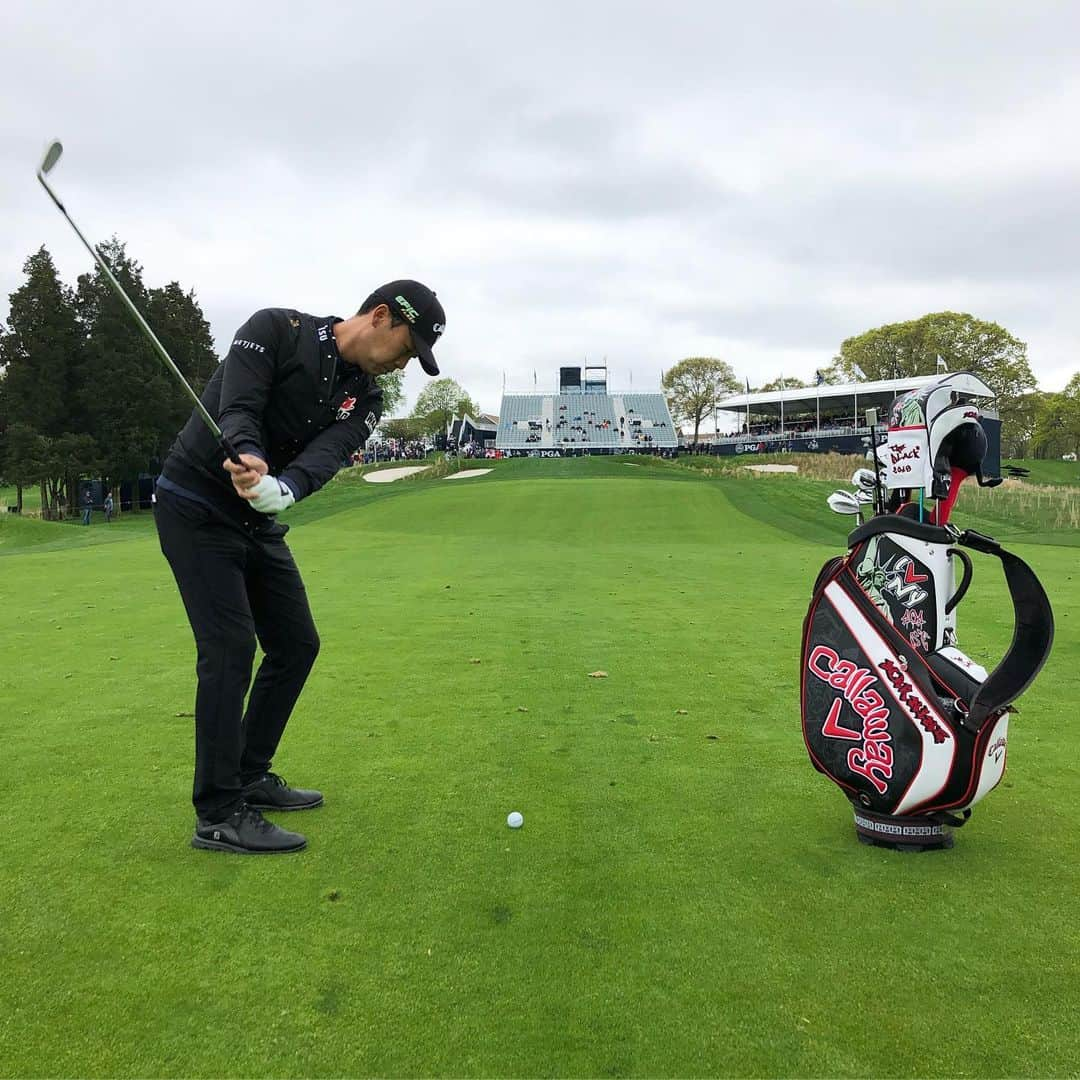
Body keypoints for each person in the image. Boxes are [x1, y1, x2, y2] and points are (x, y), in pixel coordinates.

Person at [153, 280, 445, 855]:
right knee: (231, 648)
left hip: (254, 522)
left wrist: (284, 489)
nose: (404, 365)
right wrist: (249, 453)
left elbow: (326, 455)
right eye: (407, 350)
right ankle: (217, 812)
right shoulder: (275, 331)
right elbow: (238, 405)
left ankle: (249, 774)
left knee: (296, 644)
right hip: (195, 505)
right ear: (380, 317)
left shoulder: (366, 399)